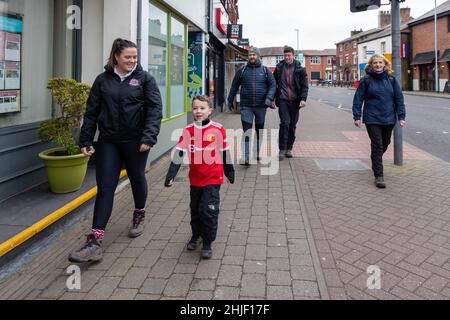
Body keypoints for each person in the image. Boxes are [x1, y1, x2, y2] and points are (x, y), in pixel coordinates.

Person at [69, 38, 163, 263]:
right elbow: (91, 111)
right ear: (116, 57)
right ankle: (95, 240)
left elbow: (154, 110)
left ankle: (139, 213)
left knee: (136, 177)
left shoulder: (144, 79)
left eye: (135, 57)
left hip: (136, 141)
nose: (132, 60)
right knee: (105, 187)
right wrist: (85, 139)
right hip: (109, 141)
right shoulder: (102, 81)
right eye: (128, 57)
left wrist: (149, 137)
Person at [165, 95, 235, 259]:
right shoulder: (188, 130)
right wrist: (171, 174)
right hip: (195, 178)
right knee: (195, 210)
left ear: (210, 110)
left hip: (213, 177)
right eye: (195, 108)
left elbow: (225, 152)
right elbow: (180, 152)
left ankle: (207, 242)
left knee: (208, 210)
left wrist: (229, 171)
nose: (198, 111)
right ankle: (196, 235)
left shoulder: (218, 129)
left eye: (202, 108)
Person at [352, 54, 406, 189]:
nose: (377, 65)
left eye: (380, 62)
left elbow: (399, 99)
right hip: (372, 118)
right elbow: (358, 99)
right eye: (375, 63)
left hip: (388, 118)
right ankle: (379, 176)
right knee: (377, 145)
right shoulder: (366, 80)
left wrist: (401, 116)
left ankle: (375, 160)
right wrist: (357, 116)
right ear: (371, 65)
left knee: (385, 143)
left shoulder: (392, 80)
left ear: (385, 64)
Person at [227, 46, 276, 165]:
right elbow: (234, 86)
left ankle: (258, 153)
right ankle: (246, 157)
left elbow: (273, 85)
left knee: (259, 131)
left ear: (258, 56)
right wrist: (229, 100)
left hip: (261, 106)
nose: (252, 57)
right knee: (247, 131)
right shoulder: (242, 71)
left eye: (254, 55)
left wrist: (269, 99)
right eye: (250, 55)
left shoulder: (265, 71)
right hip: (246, 106)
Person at [273, 46, 309, 160]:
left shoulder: (300, 69)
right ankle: (282, 149)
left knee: (292, 125)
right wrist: (273, 99)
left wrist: (303, 99)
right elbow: (274, 85)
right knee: (285, 123)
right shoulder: (279, 68)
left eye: (289, 55)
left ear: (293, 55)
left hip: (295, 102)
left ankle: (289, 148)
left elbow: (304, 86)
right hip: (283, 100)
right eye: (285, 55)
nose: (287, 57)